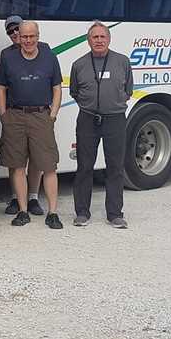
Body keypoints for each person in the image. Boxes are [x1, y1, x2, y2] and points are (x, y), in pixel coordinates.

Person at [0, 21, 63, 229]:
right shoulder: (8, 57)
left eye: (32, 36)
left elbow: (57, 87)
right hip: (15, 116)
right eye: (24, 36)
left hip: (41, 115)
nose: (28, 40)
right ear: (19, 37)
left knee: (49, 166)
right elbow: (1, 87)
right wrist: (4, 115)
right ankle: (23, 210)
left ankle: (53, 213)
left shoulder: (49, 56)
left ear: (38, 35)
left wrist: (52, 114)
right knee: (17, 165)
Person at [69, 21, 134, 229]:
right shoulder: (79, 64)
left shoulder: (122, 62)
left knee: (115, 167)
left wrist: (113, 102)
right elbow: (74, 91)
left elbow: (128, 89)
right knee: (84, 166)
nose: (98, 41)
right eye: (94, 37)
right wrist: (90, 105)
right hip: (88, 118)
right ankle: (81, 212)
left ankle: (115, 214)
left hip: (114, 119)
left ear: (109, 39)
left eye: (102, 37)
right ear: (88, 41)